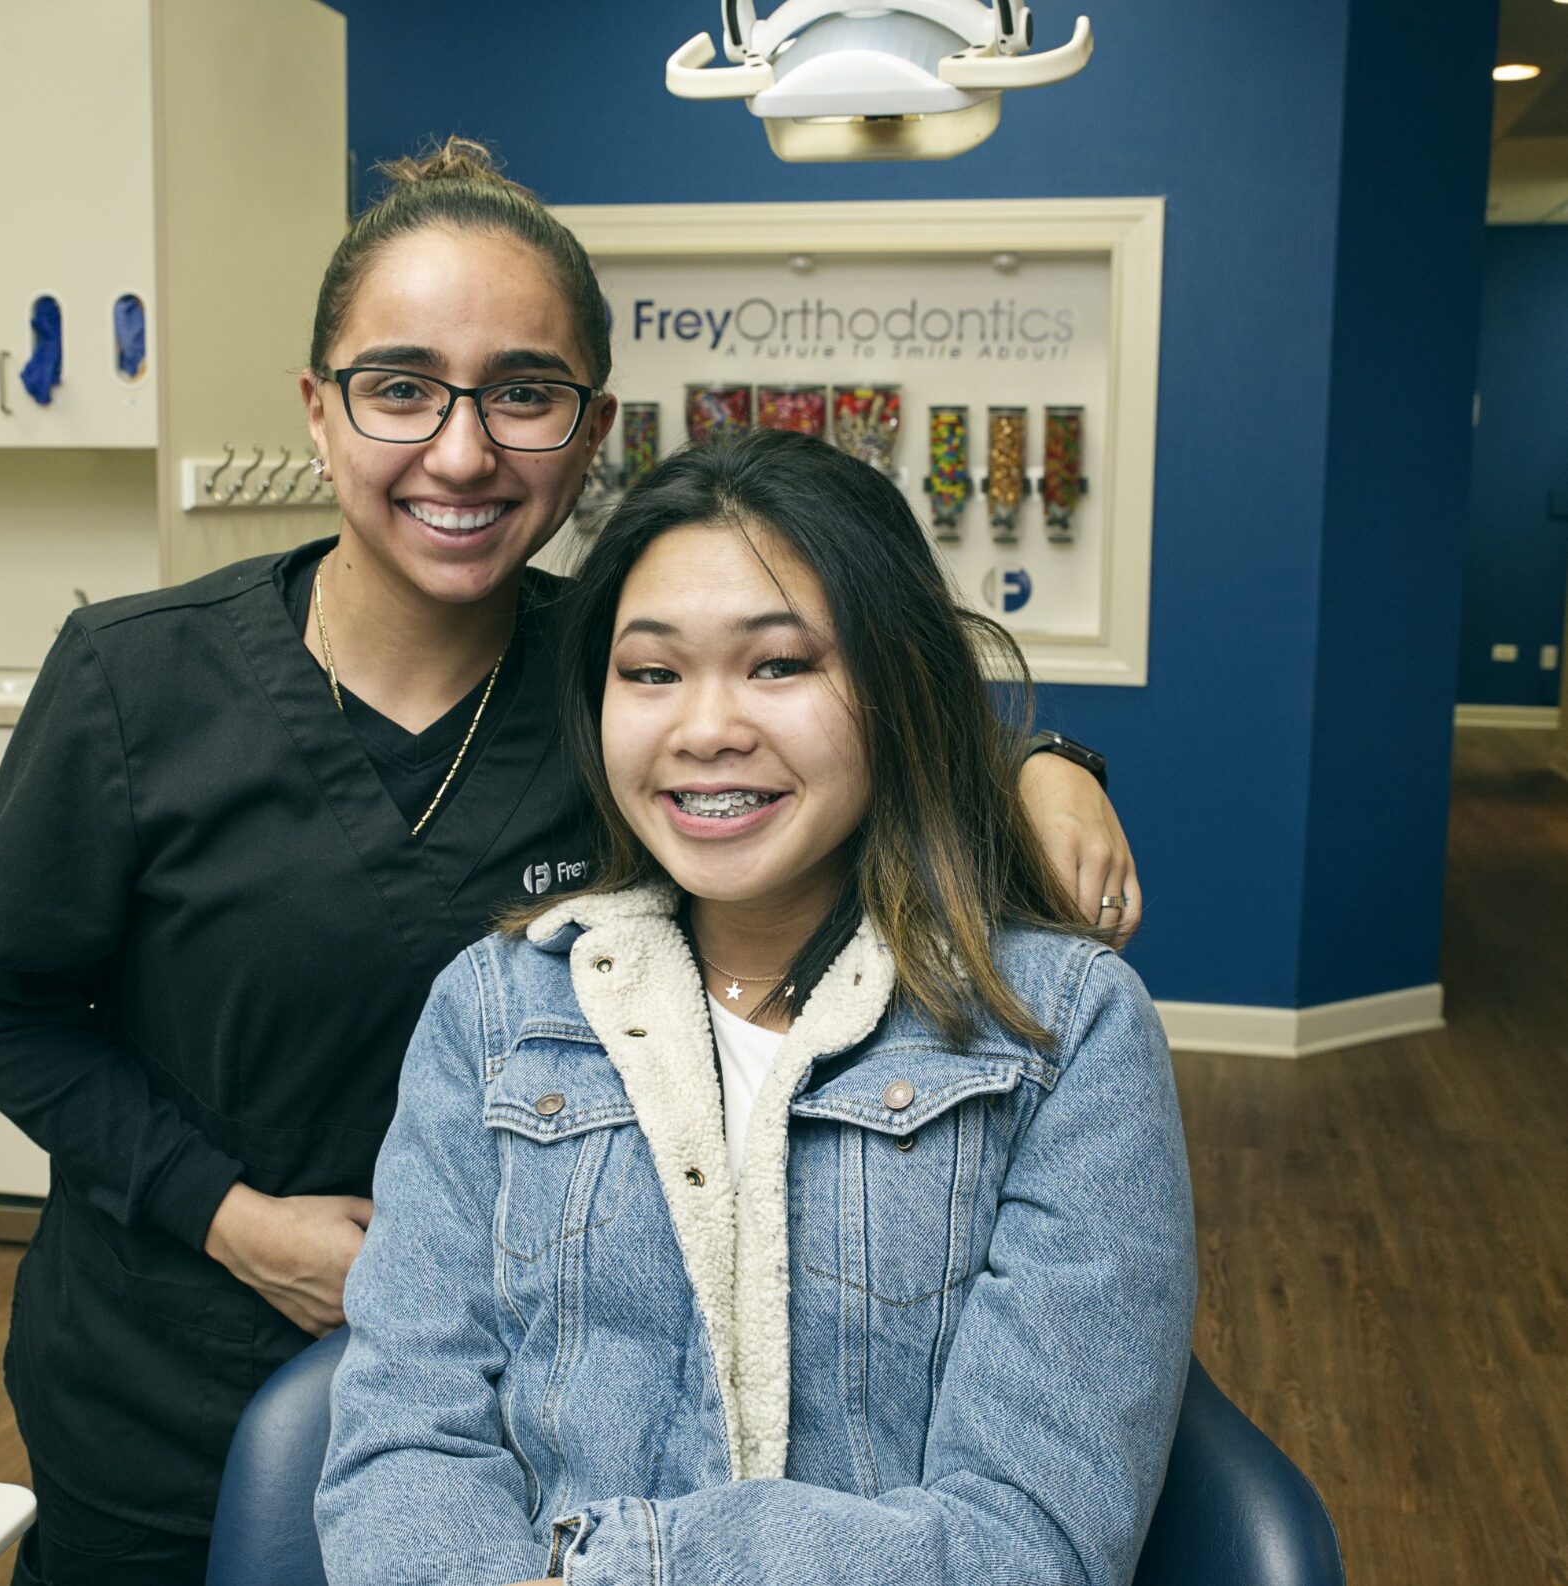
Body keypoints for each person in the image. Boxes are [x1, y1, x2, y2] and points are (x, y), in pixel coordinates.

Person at [0, 141, 1136, 1585]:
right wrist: (232, 1219)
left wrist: (1042, 766)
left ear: (589, 433)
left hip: (570, 1393)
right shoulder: (134, 681)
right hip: (175, 1367)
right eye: (400, 386)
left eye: (523, 393)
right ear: (319, 416)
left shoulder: (627, 683)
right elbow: (1, 1000)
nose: (461, 449)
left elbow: (857, 705)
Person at [317, 428, 1195, 1586]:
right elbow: (402, 1436)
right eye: (651, 670)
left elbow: (1032, 1538)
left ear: (894, 685)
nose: (703, 727)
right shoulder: (491, 1010)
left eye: (778, 664)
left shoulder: (1062, 1031)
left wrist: (619, 1570)